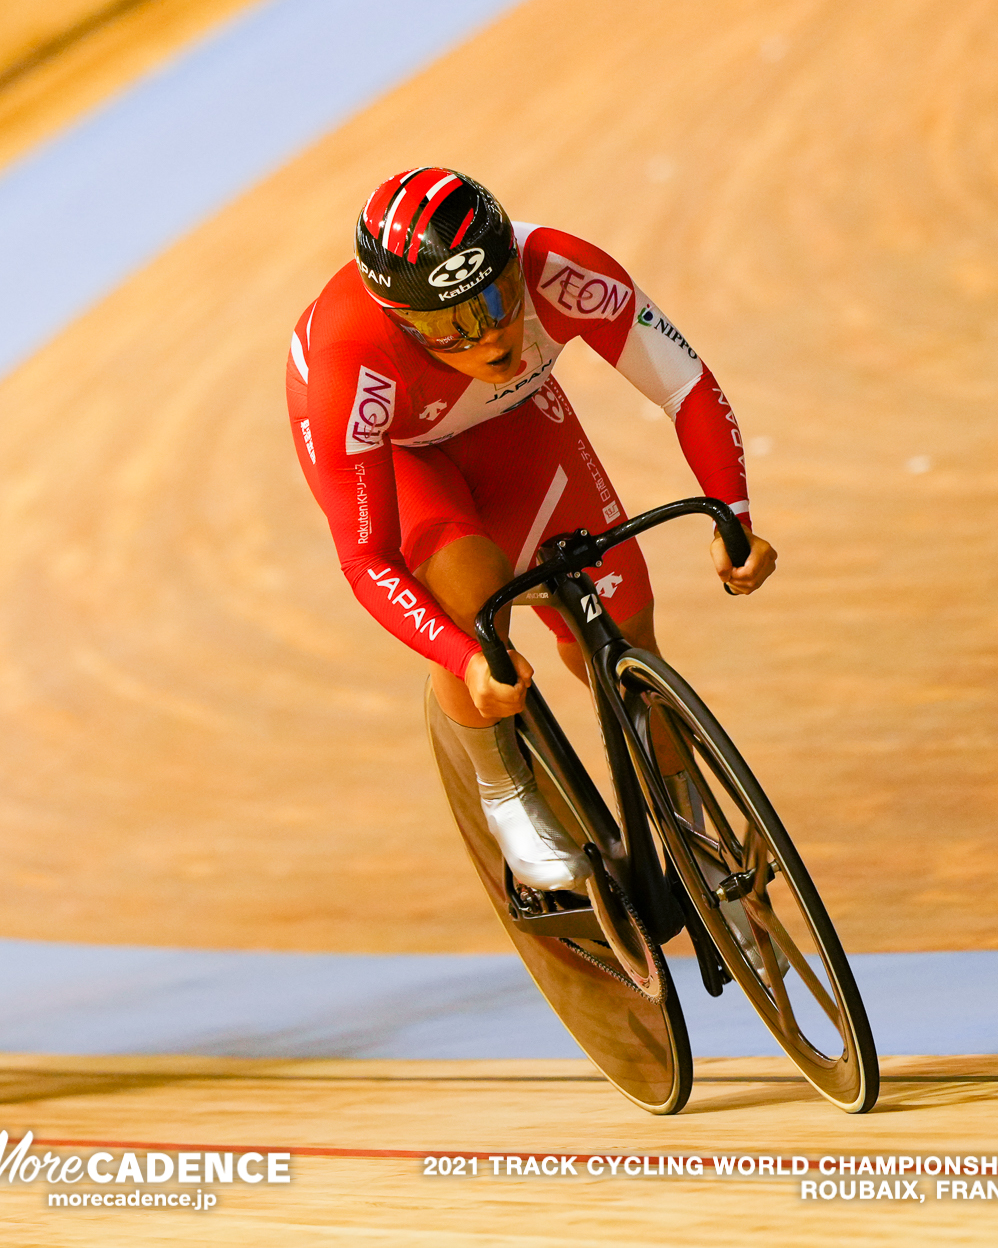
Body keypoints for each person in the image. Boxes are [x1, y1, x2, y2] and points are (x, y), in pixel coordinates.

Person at [285, 168, 776, 891]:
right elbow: (366, 558)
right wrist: (465, 657)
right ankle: (505, 791)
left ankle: (690, 819)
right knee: (477, 601)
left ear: (516, 267)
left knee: (624, 629)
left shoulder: (561, 268)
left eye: (497, 298)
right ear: (399, 322)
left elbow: (686, 384)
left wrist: (732, 515)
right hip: (401, 453)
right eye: (449, 326)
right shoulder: (350, 364)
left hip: (515, 420)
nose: (487, 337)